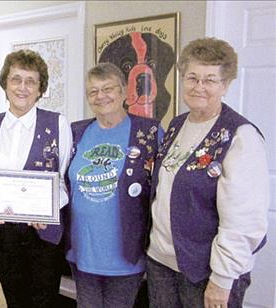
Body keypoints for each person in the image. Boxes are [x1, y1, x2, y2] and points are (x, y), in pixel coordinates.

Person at [146, 37, 269, 308]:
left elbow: (245, 221)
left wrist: (222, 279)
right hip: (162, 264)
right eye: (192, 77)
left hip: (206, 273)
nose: (199, 86)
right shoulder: (177, 125)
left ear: (225, 84)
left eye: (210, 79)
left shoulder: (240, 136)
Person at [0, 49, 72, 308]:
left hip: (43, 234)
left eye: (31, 81)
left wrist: (46, 210)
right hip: (4, 233)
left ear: (40, 88)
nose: (22, 87)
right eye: (16, 79)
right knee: (14, 299)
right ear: (5, 84)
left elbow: (63, 181)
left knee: (43, 301)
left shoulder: (58, 124)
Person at [65, 62, 161, 308]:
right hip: (83, 249)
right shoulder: (76, 132)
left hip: (126, 252)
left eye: (107, 88)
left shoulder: (148, 132)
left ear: (124, 92)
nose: (101, 96)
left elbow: (163, 187)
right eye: (93, 91)